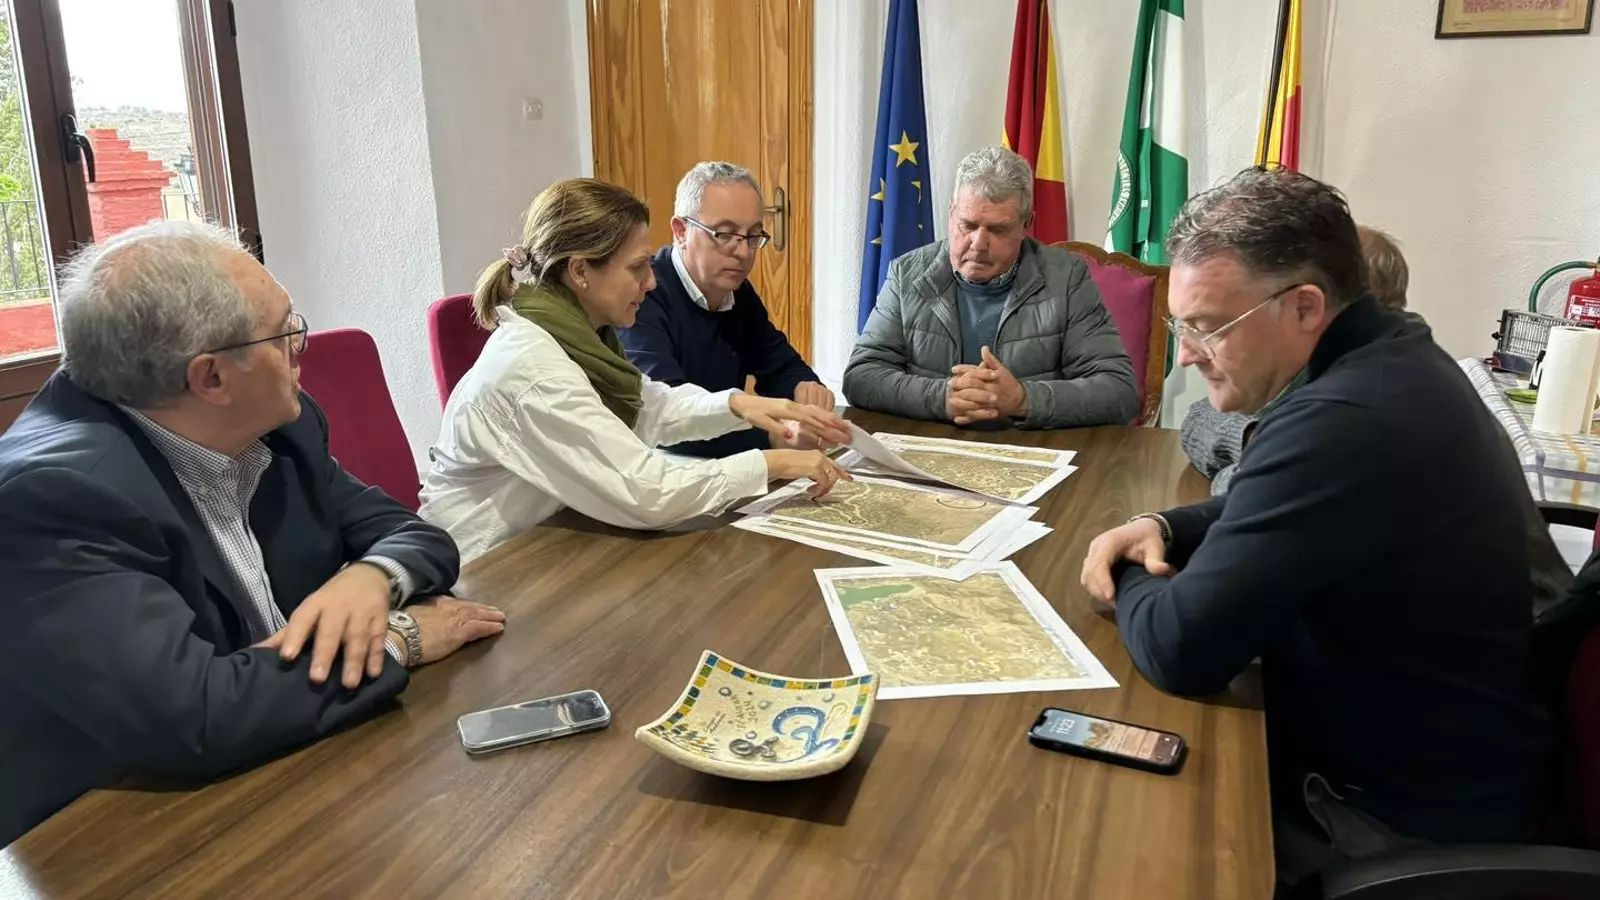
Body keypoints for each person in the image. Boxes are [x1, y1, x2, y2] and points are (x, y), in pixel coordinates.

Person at [1077, 169, 1550, 888]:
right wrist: (1163, 527)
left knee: (1109, 848)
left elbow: (1181, 648)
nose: (1185, 355)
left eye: (1207, 327)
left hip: (1387, 822)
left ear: (1304, 307)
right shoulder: (1395, 357)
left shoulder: (1344, 420)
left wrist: (1130, 574)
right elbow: (1284, 508)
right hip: (1430, 760)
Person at [0, 221, 503, 845]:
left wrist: (370, 580)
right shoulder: (52, 499)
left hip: (295, 764)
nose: (302, 348)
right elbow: (200, 715)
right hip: (126, 833)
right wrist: (398, 637)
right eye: (286, 330)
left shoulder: (282, 425)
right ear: (210, 378)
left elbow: (416, 536)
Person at [420, 178, 851, 564]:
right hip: (480, 567)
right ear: (581, 271)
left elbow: (650, 405)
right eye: (637, 267)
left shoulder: (577, 335)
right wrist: (769, 463)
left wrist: (742, 405)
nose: (650, 282)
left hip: (550, 538)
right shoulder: (534, 370)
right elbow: (644, 490)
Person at [842, 146, 1138, 428]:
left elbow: (1119, 391)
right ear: (951, 213)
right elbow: (861, 378)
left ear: (1026, 224)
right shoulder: (908, 274)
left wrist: (1024, 399)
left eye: (998, 230)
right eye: (967, 225)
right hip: (933, 450)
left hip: (1031, 453)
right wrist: (941, 397)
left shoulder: (1067, 279)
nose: (978, 244)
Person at [618, 161, 833, 458]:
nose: (743, 252)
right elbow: (669, 419)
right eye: (724, 234)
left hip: (721, 460)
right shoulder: (642, 294)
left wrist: (806, 391)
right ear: (681, 231)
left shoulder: (736, 290)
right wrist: (775, 434)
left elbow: (780, 364)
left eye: (753, 236)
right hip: (661, 464)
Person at [1181, 225, 1410, 493]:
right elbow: (1199, 415)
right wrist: (1253, 437)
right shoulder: (1311, 370)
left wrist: (1265, 452)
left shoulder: (1362, 400)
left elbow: (1246, 490)